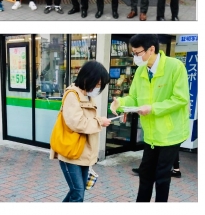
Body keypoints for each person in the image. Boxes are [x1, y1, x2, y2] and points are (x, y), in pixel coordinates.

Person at [110, 34, 189, 202]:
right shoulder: (140, 71)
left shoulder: (175, 67)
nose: (135, 57)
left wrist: (152, 108)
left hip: (170, 133)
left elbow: (181, 99)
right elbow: (134, 98)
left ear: (152, 49)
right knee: (145, 173)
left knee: (162, 176)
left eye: (138, 53)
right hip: (151, 134)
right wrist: (120, 102)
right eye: (133, 53)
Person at [50, 60, 111, 202]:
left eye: (100, 85)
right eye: (97, 83)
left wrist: (99, 120)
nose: (98, 87)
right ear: (88, 78)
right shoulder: (73, 95)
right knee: (78, 192)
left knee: (77, 190)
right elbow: (77, 123)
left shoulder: (87, 96)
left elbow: (88, 119)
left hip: (82, 152)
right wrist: (100, 122)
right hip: (71, 152)